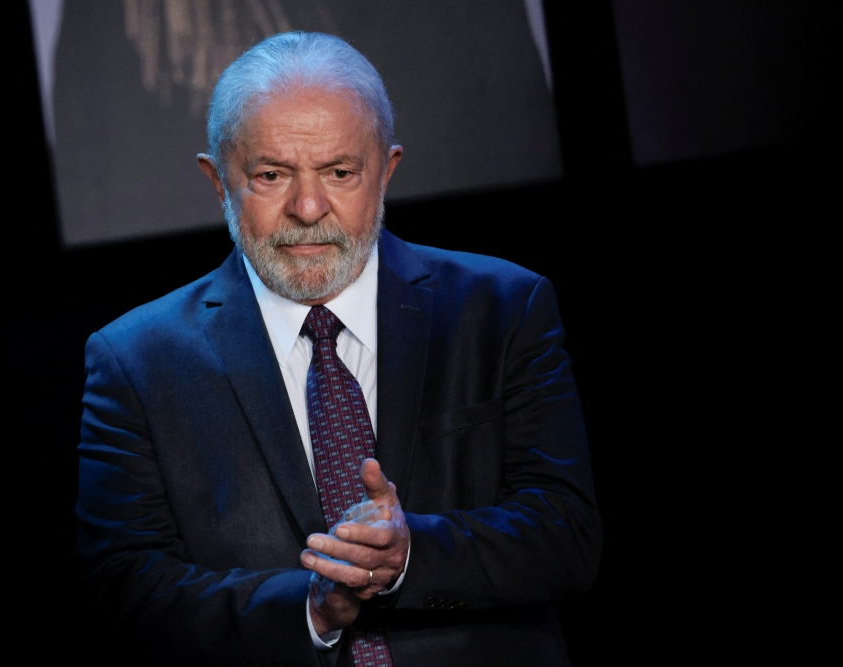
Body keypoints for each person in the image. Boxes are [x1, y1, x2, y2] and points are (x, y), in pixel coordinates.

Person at [76, 31, 601, 666]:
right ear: (217, 181)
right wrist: (311, 607)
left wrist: (410, 556)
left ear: (388, 169)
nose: (307, 206)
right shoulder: (135, 361)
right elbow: (121, 591)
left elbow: (567, 536)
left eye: (340, 172)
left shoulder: (502, 309)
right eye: (270, 175)